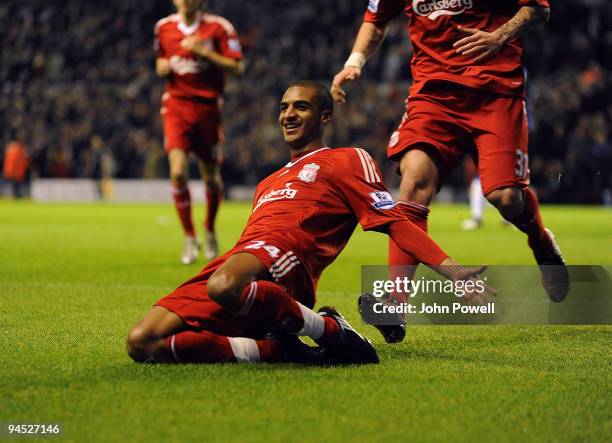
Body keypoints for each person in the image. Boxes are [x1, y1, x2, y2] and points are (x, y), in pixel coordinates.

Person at [127, 82, 491, 365]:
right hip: (244, 262)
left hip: (288, 260)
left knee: (225, 284)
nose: (288, 114)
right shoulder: (266, 183)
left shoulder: (348, 159)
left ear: (326, 117)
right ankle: (277, 351)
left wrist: (454, 271)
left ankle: (332, 333)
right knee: (143, 342)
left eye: (300, 106)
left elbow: (394, 221)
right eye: (283, 107)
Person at [331, 0, 569, 306]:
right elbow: (376, 19)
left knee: (505, 198)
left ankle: (541, 241)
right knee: (414, 183)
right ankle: (395, 304)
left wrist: (498, 36)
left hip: (495, 91)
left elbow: (539, 8)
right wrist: (355, 61)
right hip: (433, 96)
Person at [155, 0, 244, 264]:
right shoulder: (163, 27)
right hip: (176, 106)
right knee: (178, 172)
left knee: (211, 180)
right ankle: (190, 237)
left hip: (207, 109)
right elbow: (161, 57)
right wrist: (160, 65)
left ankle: (209, 228)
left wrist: (206, 54)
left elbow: (238, 67)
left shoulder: (219, 28)